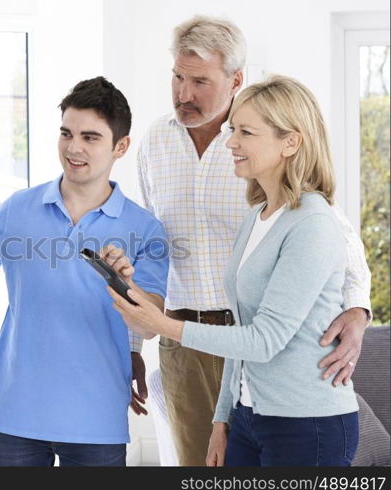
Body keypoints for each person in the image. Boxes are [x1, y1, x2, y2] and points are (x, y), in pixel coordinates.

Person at [131, 15, 371, 466]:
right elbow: (151, 250)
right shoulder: (154, 145)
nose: (184, 94)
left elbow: (337, 242)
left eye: (200, 81)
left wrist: (356, 310)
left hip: (261, 344)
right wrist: (134, 343)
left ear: (235, 79)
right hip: (189, 346)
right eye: (177, 77)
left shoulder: (265, 154)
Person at [0, 77, 169, 466]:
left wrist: (126, 287)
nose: (74, 148)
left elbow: (149, 325)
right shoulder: (19, 208)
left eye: (91, 137)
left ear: (120, 147)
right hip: (15, 416)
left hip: (96, 421)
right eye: (66, 133)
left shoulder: (145, 228)